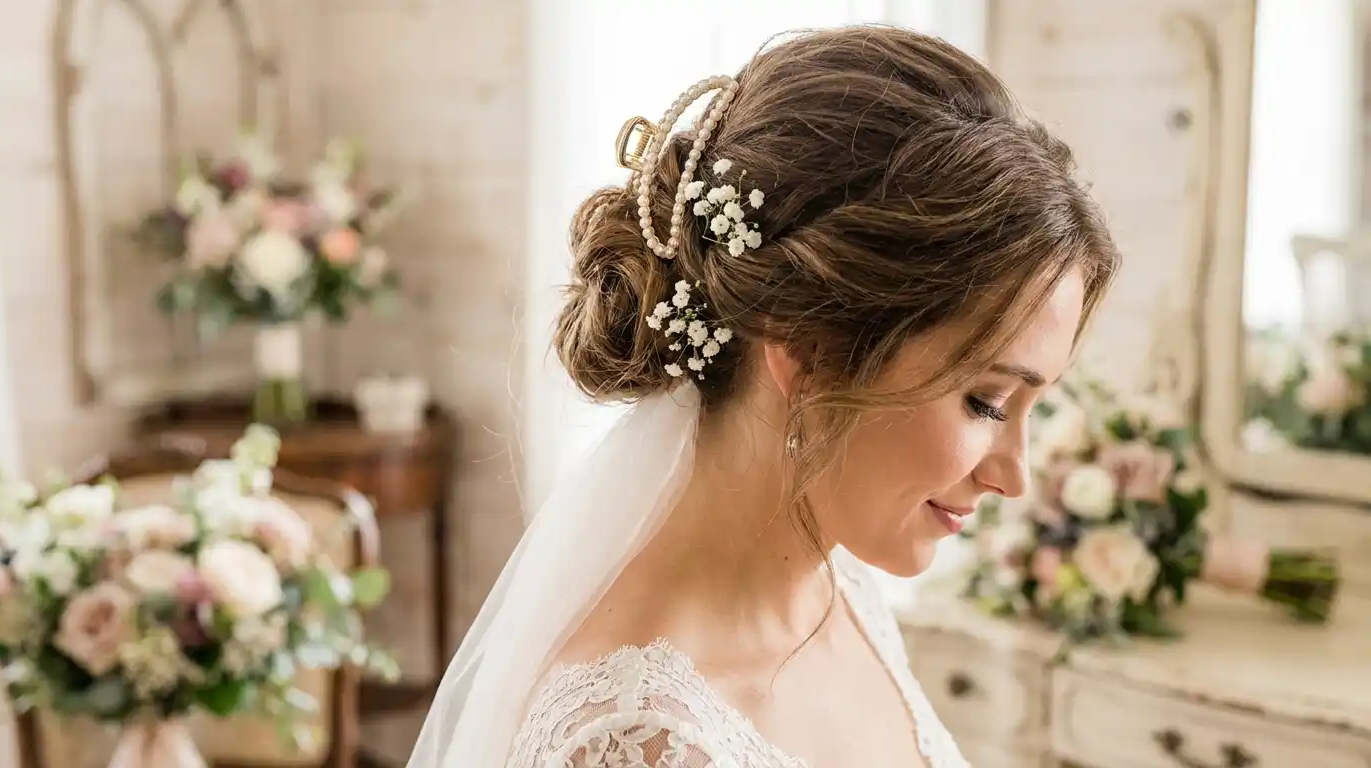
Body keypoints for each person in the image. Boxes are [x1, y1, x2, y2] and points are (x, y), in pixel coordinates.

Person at [409, 24, 1120, 768]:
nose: (1014, 474)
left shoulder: (837, 591)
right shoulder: (638, 744)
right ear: (810, 352)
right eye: (987, 402)